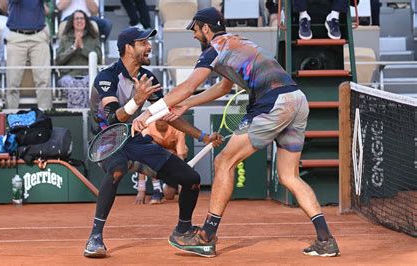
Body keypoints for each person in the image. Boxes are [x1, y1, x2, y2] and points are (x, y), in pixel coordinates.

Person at [132, 7, 340, 258]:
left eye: (196, 30)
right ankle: (325, 239)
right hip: (297, 99)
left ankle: (206, 236)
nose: (194, 36)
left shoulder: (215, 49)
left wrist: (148, 113)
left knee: (223, 162)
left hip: (272, 103)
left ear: (206, 28)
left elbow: (188, 86)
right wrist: (188, 104)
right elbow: (223, 88)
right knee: (289, 176)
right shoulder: (239, 43)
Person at [84, 26, 222, 258]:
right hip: (106, 140)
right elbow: (112, 118)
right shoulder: (106, 77)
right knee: (117, 169)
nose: (149, 46)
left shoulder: (148, 78)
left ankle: (183, 229)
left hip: (134, 139)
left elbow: (167, 113)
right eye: (143, 42)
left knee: (191, 179)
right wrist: (137, 101)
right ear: (128, 48)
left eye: (149, 42)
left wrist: (201, 136)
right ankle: (95, 237)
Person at [0, 0, 52, 109]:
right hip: (16, 35)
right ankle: (10, 116)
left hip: (38, 34)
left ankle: (46, 116)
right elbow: (4, 6)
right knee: (12, 82)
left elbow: (48, 10)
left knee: (43, 81)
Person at [55, 9, 101, 109]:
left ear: (86, 21)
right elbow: (58, 60)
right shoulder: (65, 38)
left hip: (88, 75)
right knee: (74, 87)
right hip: (69, 75)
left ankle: (86, 116)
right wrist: (73, 48)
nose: (79, 21)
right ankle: (79, 116)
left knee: (88, 85)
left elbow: (99, 59)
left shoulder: (93, 37)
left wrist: (82, 47)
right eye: (76, 18)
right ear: (72, 21)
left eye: (81, 18)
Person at [135, 120, 187, 204]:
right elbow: (143, 159)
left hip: (175, 157)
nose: (161, 118)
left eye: (163, 114)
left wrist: (182, 183)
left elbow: (181, 156)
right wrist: (141, 189)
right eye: (159, 115)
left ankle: (175, 183)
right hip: (156, 156)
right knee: (151, 155)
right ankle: (157, 190)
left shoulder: (178, 128)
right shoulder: (146, 130)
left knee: (169, 195)